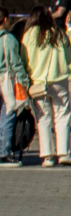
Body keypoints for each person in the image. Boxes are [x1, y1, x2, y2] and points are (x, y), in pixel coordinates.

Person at [24, 5, 71, 167]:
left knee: (43, 118)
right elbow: (70, 56)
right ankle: (64, 153)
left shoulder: (29, 35)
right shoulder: (58, 32)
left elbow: (24, 57)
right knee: (62, 115)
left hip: (38, 81)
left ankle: (47, 155)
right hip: (58, 78)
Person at [1, 12, 33, 166]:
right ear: (5, 20)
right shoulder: (8, 39)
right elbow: (15, 64)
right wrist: (25, 82)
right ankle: (4, 152)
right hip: (5, 81)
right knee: (8, 115)